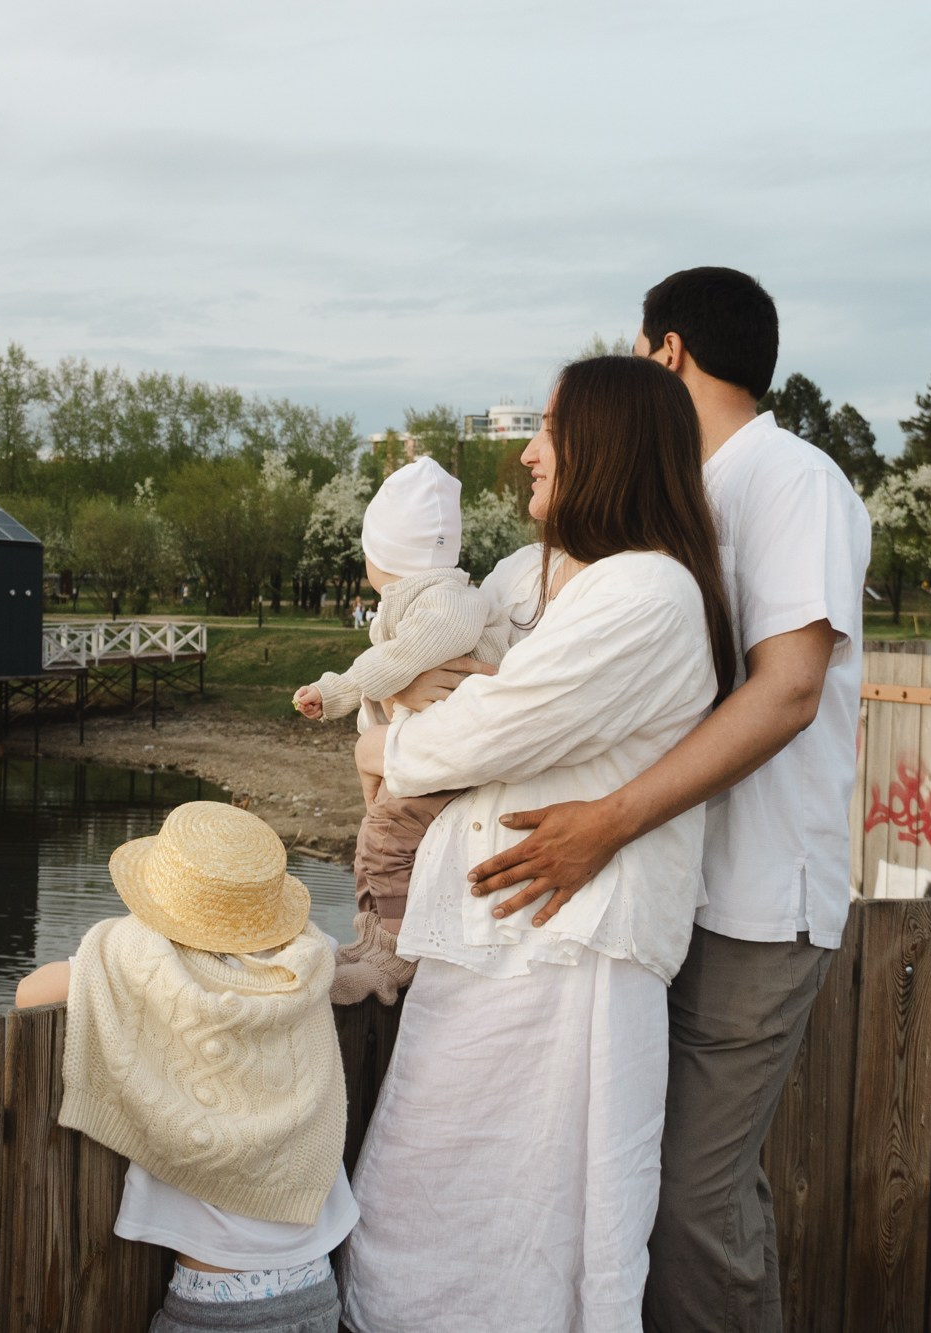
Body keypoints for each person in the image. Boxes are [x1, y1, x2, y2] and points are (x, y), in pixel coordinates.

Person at [419, 268, 871, 1330]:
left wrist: (608, 820)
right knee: (623, 1184)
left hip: (753, 894)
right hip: (660, 895)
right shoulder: (683, 484)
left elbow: (788, 690)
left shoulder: (787, 477)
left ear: (665, 352)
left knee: (691, 1204)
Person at [339, 356, 737, 1332]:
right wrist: (409, 705)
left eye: (548, 430)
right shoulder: (535, 577)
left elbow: (490, 724)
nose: (526, 451)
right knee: (423, 1196)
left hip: (570, 955)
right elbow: (452, 673)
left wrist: (385, 742)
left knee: (536, 1222)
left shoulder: (649, 594)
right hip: (494, 939)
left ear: (604, 447)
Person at [15, 801, 355, 1331]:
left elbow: (28, 993)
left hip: (214, 1298)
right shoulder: (308, 962)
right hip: (315, 1286)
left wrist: (121, 942)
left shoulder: (144, 967)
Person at [292, 458, 514, 1005]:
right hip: (422, 750)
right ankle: (372, 939)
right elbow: (395, 673)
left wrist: (339, 690)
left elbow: (402, 658)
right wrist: (380, 703)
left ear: (380, 555)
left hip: (448, 755)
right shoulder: (418, 604)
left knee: (387, 842)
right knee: (374, 840)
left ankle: (395, 951)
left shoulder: (444, 603)